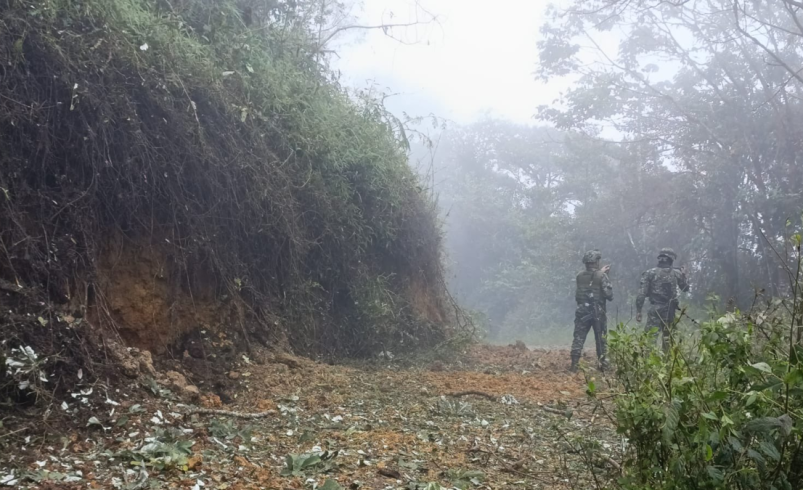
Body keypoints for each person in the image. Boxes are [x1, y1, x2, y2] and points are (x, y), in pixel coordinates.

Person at [636, 247, 689, 351]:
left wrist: (639, 311)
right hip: (669, 311)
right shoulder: (676, 273)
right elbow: (685, 288)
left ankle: (649, 359)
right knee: (668, 340)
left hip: (655, 309)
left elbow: (641, 294)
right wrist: (684, 275)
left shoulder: (649, 273)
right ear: (671, 259)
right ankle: (666, 360)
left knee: (650, 339)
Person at [570, 250, 613, 372]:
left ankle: (574, 365)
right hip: (597, 312)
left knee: (578, 338)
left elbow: (588, 284)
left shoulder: (579, 276)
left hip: (582, 311)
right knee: (601, 339)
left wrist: (600, 273)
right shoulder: (602, 276)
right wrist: (604, 275)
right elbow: (609, 295)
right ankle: (603, 366)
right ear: (597, 261)